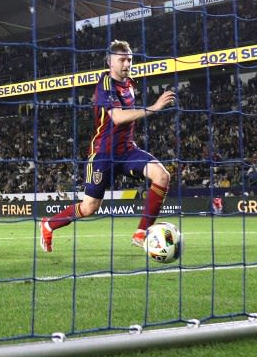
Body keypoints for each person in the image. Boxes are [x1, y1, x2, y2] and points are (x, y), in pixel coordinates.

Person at [39, 40, 176, 253]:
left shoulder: (130, 83)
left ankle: (141, 234)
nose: (127, 64)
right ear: (110, 62)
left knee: (162, 176)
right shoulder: (105, 85)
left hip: (127, 151)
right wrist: (154, 108)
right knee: (89, 207)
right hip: (103, 155)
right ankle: (48, 225)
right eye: (122, 60)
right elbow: (118, 118)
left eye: (129, 59)